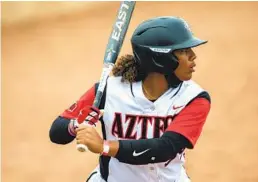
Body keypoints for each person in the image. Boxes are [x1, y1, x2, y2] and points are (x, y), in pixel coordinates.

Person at [49, 16, 211, 182]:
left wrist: (104, 146)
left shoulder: (194, 98)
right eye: (183, 51)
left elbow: (165, 148)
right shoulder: (109, 90)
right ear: (160, 59)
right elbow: (56, 132)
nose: (193, 56)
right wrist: (76, 125)